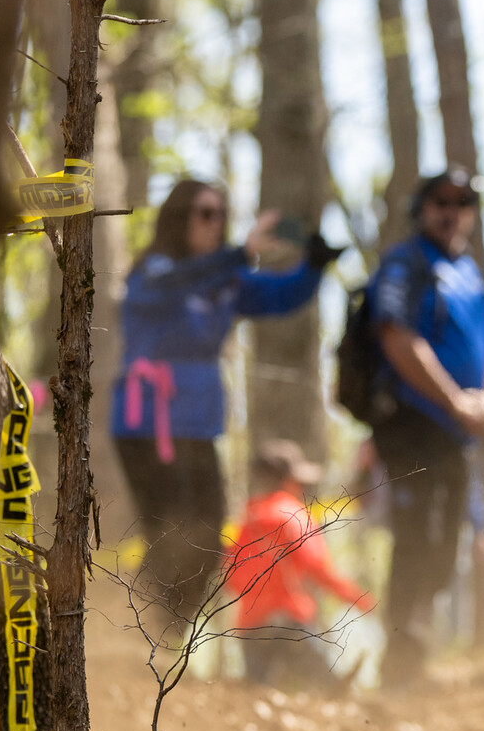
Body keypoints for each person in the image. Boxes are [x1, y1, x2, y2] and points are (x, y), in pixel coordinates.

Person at [113, 178, 339, 617]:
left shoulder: (225, 281)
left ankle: (164, 637)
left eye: (220, 214)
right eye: (204, 213)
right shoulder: (154, 271)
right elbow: (175, 284)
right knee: (166, 533)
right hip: (145, 427)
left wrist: (313, 266)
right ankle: (139, 628)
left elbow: (276, 295)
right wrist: (240, 253)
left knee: (207, 539)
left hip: (198, 426)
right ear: (179, 218)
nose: (214, 223)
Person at [367, 168, 484, 679]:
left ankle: (416, 652)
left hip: (457, 433)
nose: (452, 212)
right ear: (421, 209)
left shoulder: (470, 270)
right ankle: (400, 663)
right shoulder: (404, 265)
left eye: (463, 202)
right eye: (440, 202)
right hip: (411, 425)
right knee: (415, 539)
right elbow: (396, 336)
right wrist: (453, 401)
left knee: (447, 545)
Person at [224, 440, 375, 689]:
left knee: (257, 693)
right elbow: (319, 570)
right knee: (329, 687)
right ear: (289, 481)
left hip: (248, 625)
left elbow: (230, 575)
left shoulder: (246, 518)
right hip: (289, 621)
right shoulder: (294, 514)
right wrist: (359, 599)